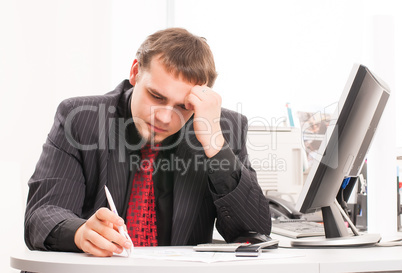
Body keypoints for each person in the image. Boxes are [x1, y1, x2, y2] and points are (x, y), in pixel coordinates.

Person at [24, 27, 271, 257]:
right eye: (156, 96)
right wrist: (79, 233)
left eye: (183, 107)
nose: (164, 117)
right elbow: (42, 214)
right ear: (135, 72)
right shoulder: (80, 118)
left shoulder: (222, 128)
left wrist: (215, 145)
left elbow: (255, 232)